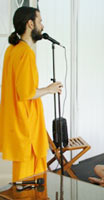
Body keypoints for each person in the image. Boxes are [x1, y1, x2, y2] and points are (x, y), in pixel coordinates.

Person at [0, 7, 63, 182]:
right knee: (31, 182)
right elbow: (26, 92)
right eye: (40, 21)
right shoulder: (25, 53)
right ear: (30, 23)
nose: (42, 26)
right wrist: (49, 89)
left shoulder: (11, 50)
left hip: (17, 124)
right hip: (26, 128)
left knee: (23, 182)